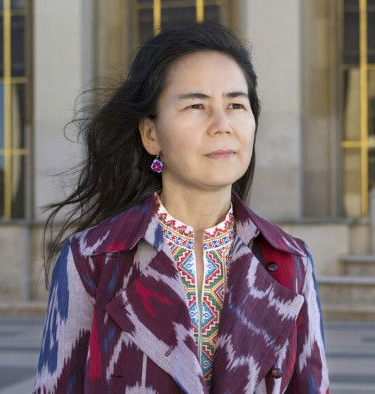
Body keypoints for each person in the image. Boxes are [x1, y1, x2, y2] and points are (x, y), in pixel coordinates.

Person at [32, 21, 330, 394]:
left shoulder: (290, 261)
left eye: (237, 104)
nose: (222, 125)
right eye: (196, 105)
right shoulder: (92, 259)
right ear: (151, 134)